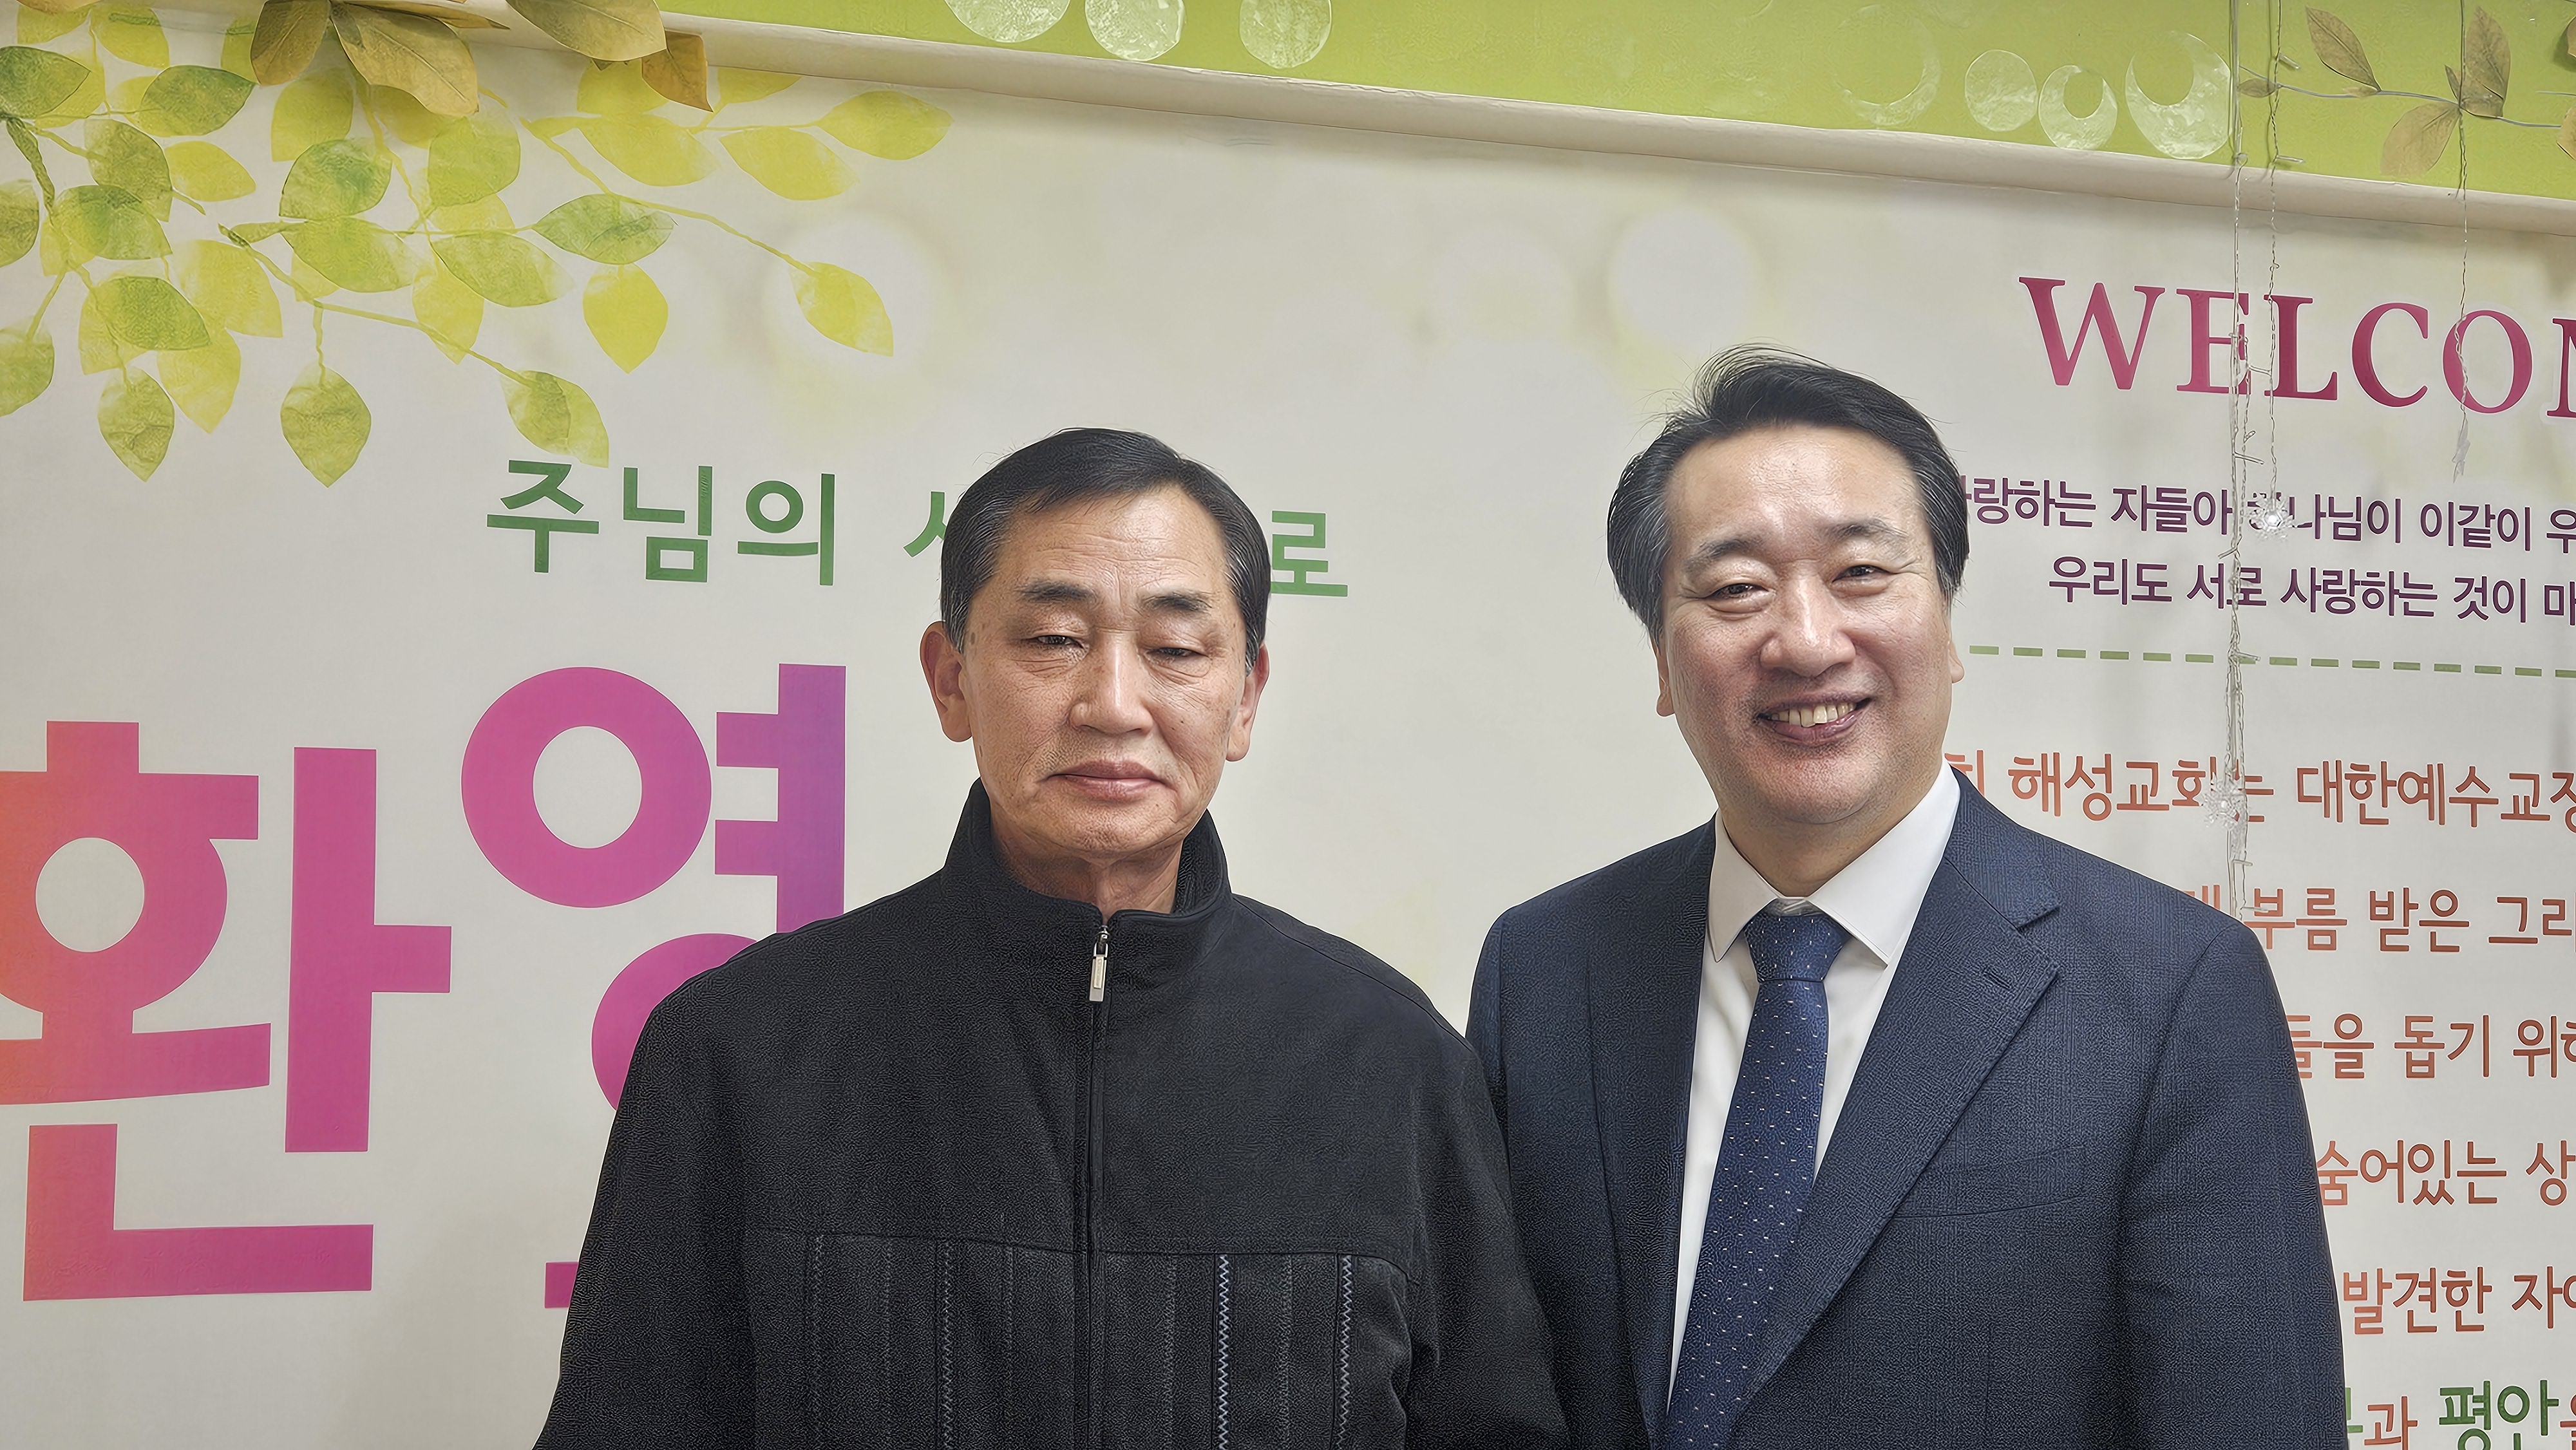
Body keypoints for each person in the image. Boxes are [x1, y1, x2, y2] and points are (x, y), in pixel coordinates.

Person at [536, 428, 1563, 1449]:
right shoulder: (740, 1049)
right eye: (1053, 640)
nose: (1113, 705)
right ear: (950, 678)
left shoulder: (1391, 1062)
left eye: (1174, 650)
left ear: (1246, 696)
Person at [1466, 349, 2340, 1449]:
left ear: (1948, 618)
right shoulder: (1547, 968)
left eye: (1862, 574)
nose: (1806, 640)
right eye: (1735, 590)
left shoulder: (2172, 987)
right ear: (1659, 658)